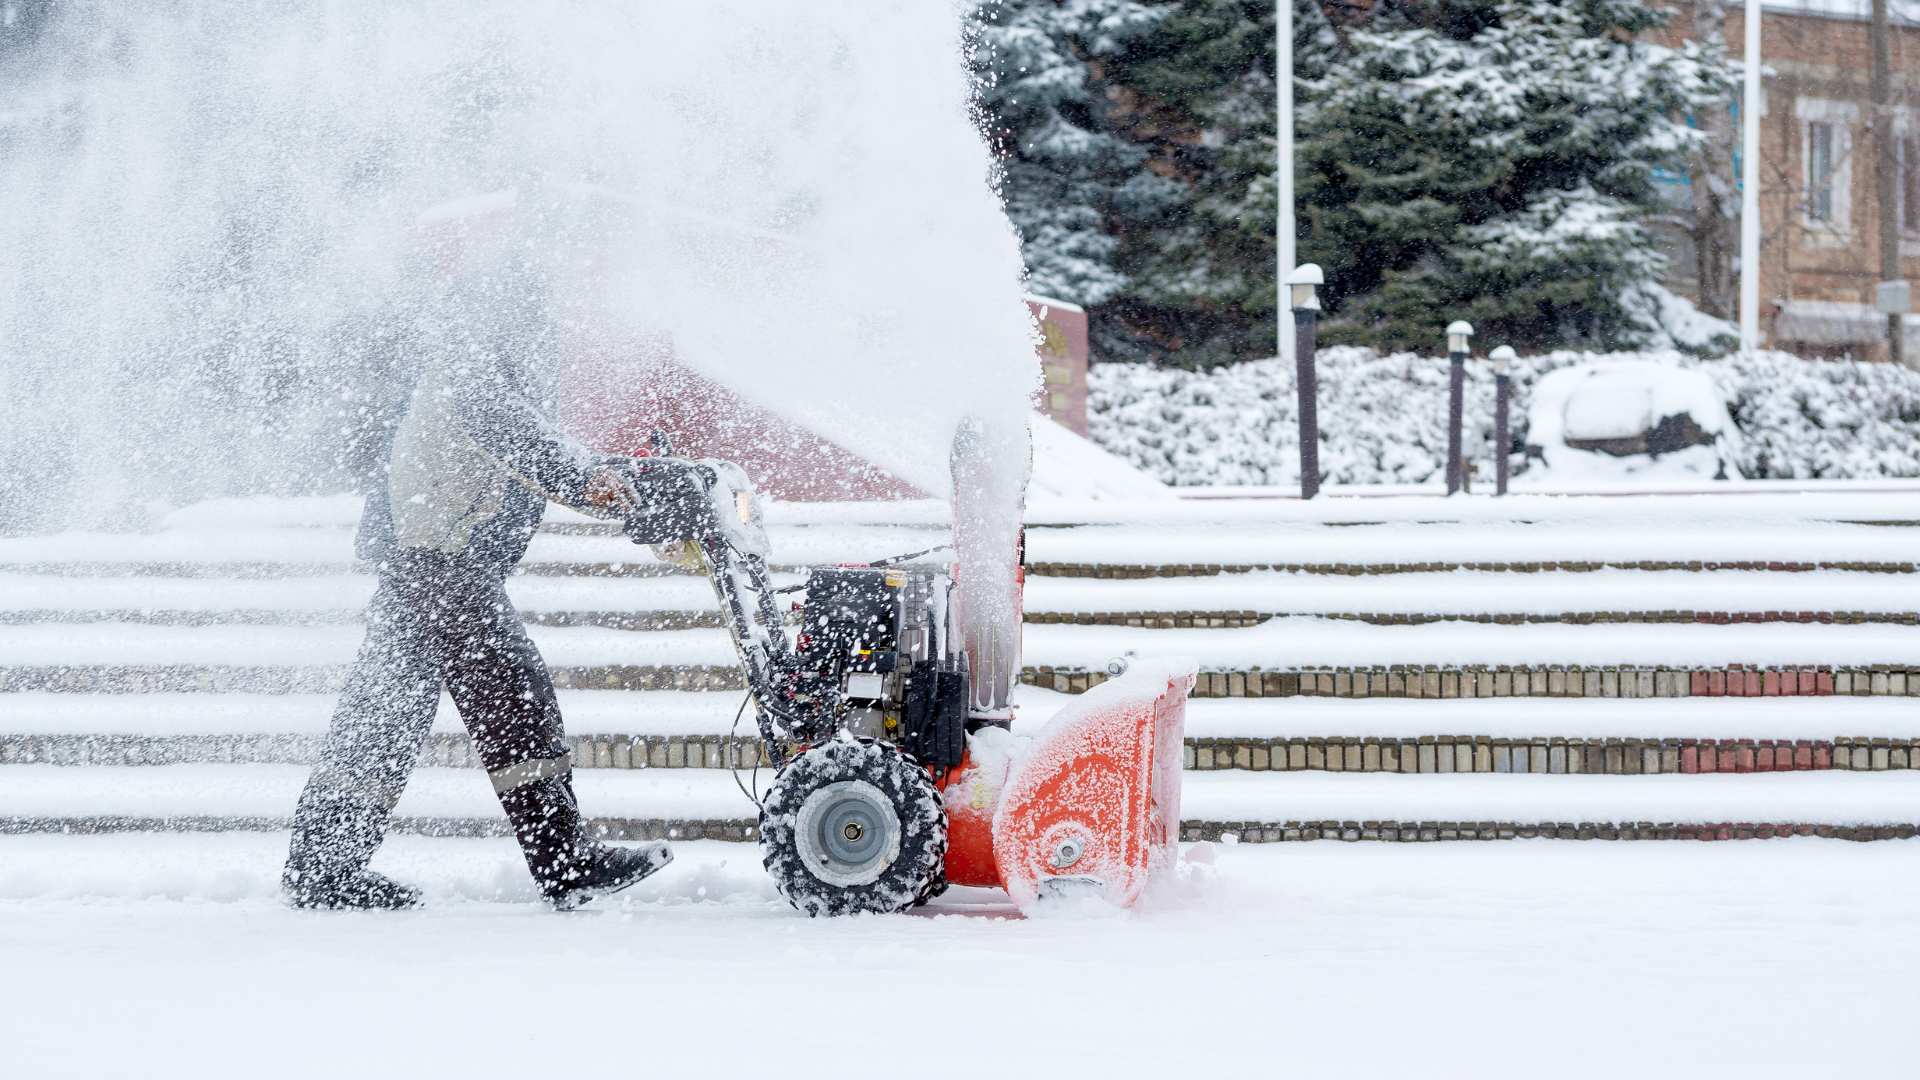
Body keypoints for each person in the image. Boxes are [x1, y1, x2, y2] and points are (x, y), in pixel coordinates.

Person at [282, 252, 671, 911]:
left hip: (421, 562)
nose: (543, 339)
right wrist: (596, 485)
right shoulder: (472, 376)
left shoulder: (468, 371)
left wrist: (617, 475)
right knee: (516, 698)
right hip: (440, 564)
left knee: (385, 714)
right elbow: (530, 447)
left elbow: (536, 444)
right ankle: (565, 861)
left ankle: (322, 866)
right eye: (533, 323)